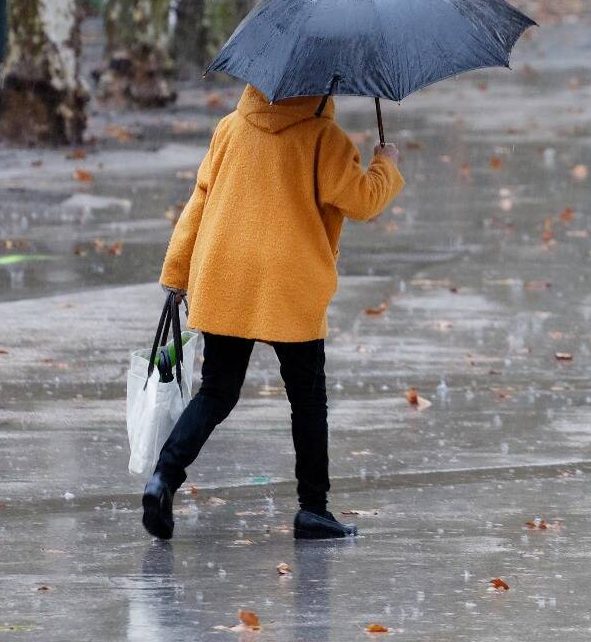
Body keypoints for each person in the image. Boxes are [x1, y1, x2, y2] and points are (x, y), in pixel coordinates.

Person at [144, 84, 403, 541]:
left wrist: (177, 273)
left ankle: (163, 477)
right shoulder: (325, 139)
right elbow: (362, 201)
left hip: (227, 272)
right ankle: (313, 509)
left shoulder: (230, 128)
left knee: (217, 393)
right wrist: (386, 164)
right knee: (307, 399)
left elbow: (200, 200)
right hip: (291, 278)